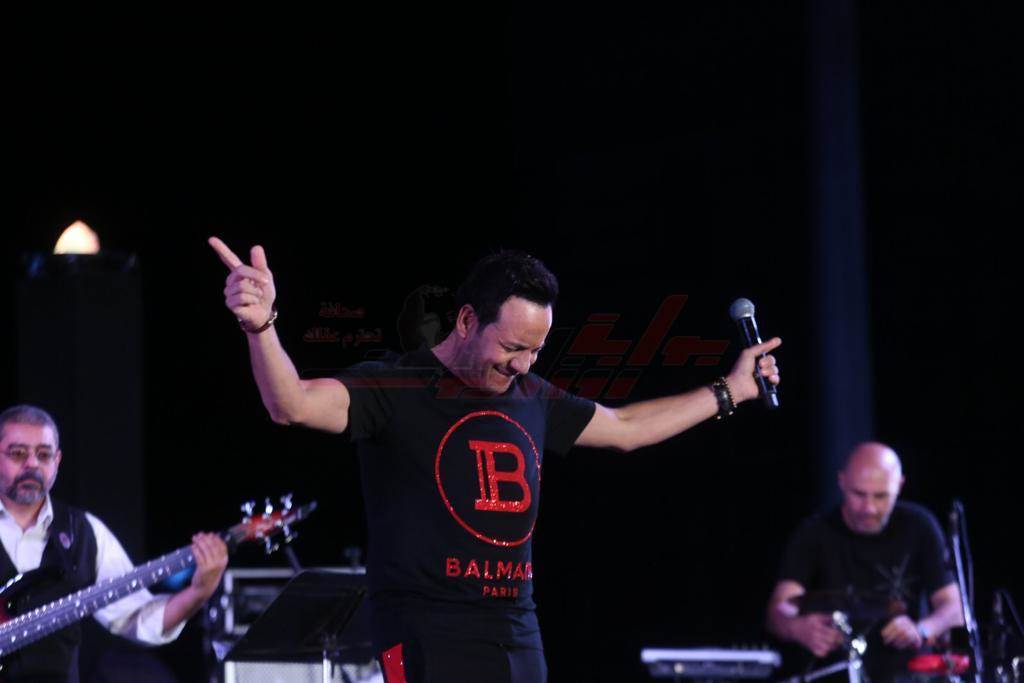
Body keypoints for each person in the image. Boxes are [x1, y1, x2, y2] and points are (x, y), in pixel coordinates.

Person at [209, 238, 781, 683]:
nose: (523, 364)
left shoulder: (532, 396)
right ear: (465, 321)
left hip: (516, 633)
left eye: (536, 350)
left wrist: (731, 391)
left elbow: (627, 428)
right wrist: (261, 327)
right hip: (427, 633)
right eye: (511, 348)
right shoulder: (395, 387)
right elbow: (291, 405)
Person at [0, 404, 229, 683]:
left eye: (44, 454)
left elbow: (139, 618)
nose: (32, 464)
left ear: (57, 461)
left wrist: (198, 592)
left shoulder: (84, 532)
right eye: (17, 453)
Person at [765, 442, 964, 683]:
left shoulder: (919, 525)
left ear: (899, 485)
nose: (869, 508)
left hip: (909, 676)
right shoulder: (814, 534)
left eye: (881, 496)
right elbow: (779, 609)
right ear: (841, 482)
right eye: (859, 494)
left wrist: (921, 629)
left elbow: (954, 608)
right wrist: (797, 628)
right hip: (836, 675)